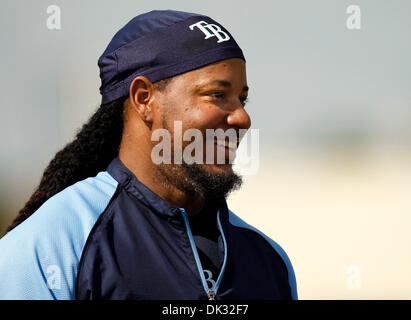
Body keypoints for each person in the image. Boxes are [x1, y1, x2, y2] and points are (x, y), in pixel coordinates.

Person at [0, 9, 297, 300]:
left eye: (242, 98)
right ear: (144, 99)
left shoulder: (268, 261)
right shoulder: (53, 244)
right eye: (217, 95)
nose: (243, 118)